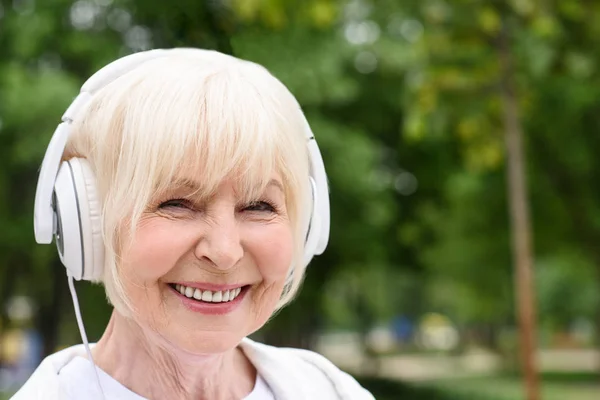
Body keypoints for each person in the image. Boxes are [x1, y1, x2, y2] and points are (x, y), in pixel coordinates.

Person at [11, 48, 374, 399]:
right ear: (86, 225)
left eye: (259, 206)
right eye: (177, 204)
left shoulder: (330, 391)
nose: (224, 252)